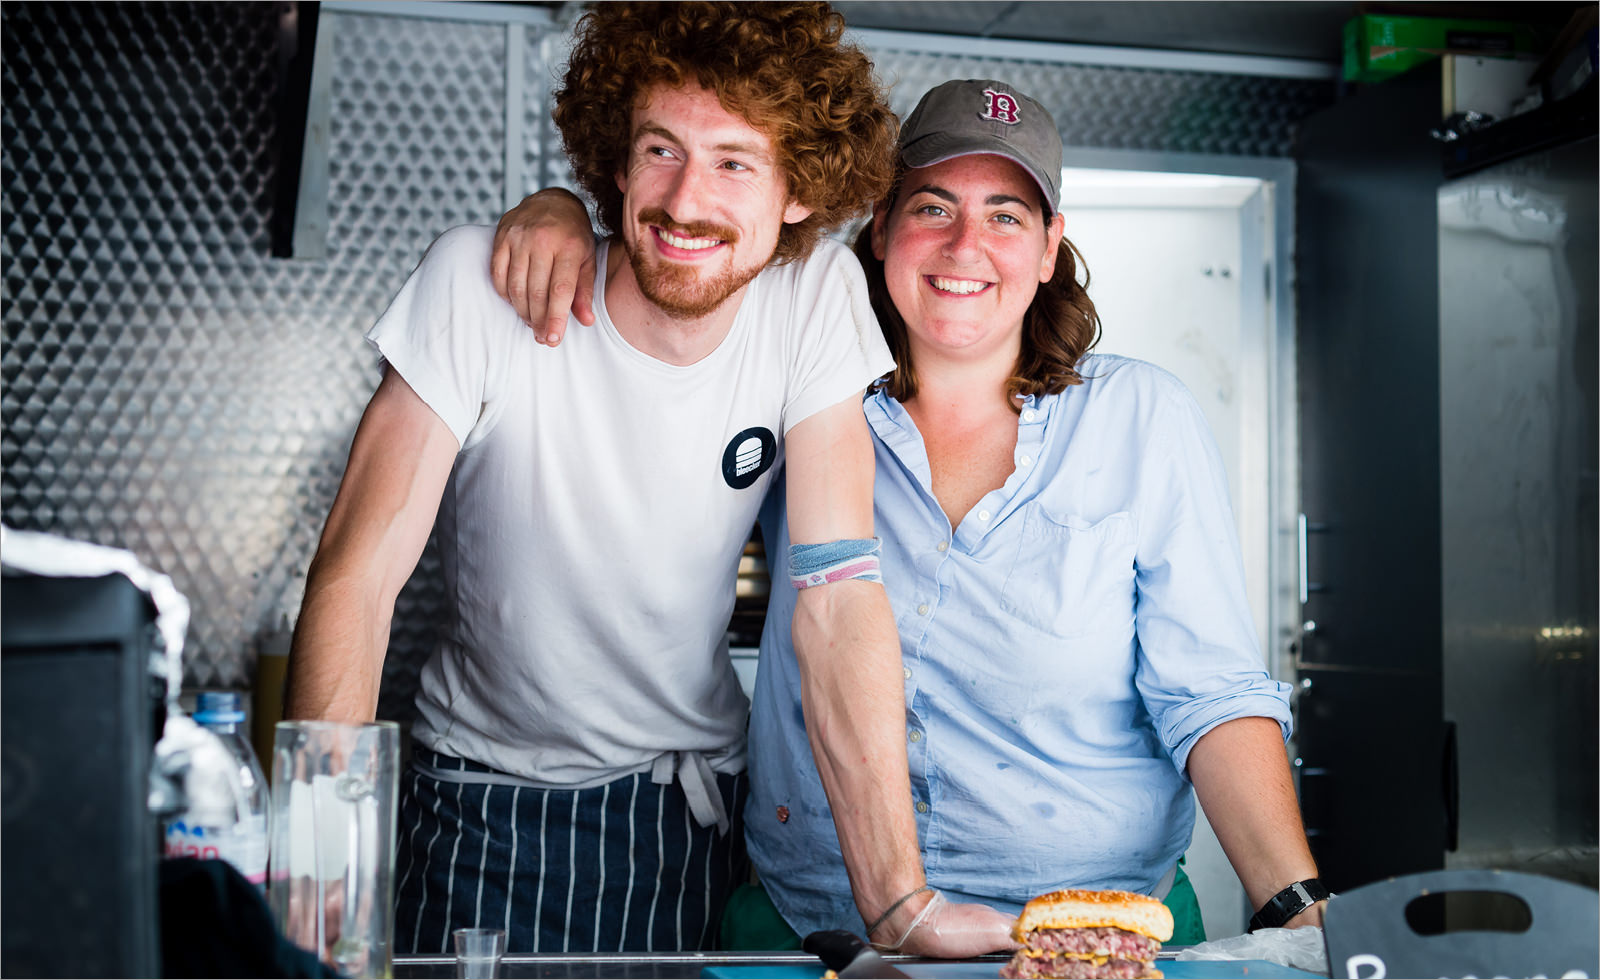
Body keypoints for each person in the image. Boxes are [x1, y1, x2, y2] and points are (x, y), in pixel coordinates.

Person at [491, 78, 1328, 948]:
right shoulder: (804, 391)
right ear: (882, 227)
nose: (967, 245)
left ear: (1049, 249)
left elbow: (1212, 693)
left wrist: (1294, 911)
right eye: (934, 206)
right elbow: (681, 274)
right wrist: (563, 215)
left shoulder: (1142, 417)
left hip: (1087, 933)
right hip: (823, 927)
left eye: (1007, 216)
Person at [286, 2, 1009, 956]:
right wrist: (316, 899)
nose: (684, 199)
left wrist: (897, 905)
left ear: (798, 192)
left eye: (734, 163)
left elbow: (836, 594)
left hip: (689, 821)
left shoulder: (812, 297)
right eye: (660, 150)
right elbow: (356, 576)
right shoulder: (479, 286)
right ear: (616, 164)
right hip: (478, 812)